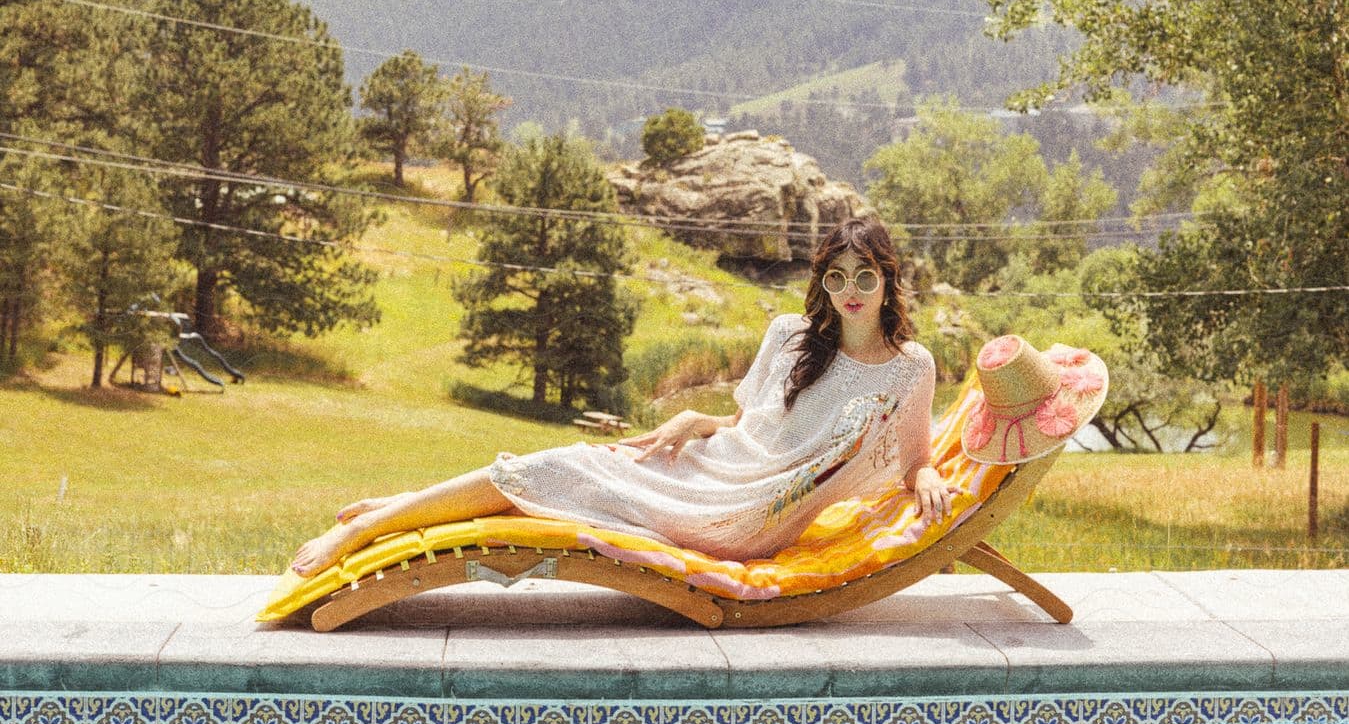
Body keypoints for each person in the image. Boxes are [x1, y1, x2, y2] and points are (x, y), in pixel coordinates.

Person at [287, 216, 952, 577]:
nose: (851, 291)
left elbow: (914, 458)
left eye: (865, 276)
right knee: (566, 460)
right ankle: (396, 513)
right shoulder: (789, 334)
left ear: (889, 280)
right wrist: (697, 418)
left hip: (748, 513)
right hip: (708, 463)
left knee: (560, 471)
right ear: (825, 283)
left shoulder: (908, 368)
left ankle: (380, 522)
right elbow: (754, 425)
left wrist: (925, 479)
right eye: (837, 277)